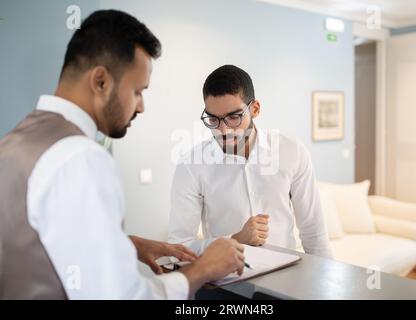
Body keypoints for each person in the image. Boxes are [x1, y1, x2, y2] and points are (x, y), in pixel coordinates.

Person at [0, 10, 244, 300]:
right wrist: (204, 268)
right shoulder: (81, 156)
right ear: (101, 81)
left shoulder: (14, 142)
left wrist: (126, 244)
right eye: (138, 91)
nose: (141, 107)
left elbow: (35, 241)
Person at [168, 65, 332, 258]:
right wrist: (235, 240)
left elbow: (314, 233)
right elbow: (178, 249)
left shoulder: (291, 151)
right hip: (226, 281)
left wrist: (325, 284)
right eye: (213, 120)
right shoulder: (191, 166)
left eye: (234, 117)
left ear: (255, 109)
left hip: (287, 278)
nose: (224, 130)